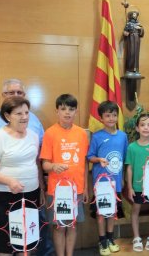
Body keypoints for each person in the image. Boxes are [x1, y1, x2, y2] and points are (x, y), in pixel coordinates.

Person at [0, 78, 53, 255]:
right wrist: (9, 181)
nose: (24, 117)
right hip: (3, 195)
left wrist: (41, 188)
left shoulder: (33, 136)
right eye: (19, 114)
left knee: (27, 240)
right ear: (7, 116)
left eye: (26, 113)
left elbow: (35, 164)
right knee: (5, 242)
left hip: (30, 194)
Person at [40, 94, 89, 256]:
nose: (67, 112)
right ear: (57, 111)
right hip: (57, 190)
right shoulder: (50, 133)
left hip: (77, 189)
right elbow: (44, 164)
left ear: (76, 111)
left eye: (71, 109)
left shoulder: (82, 133)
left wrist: (86, 188)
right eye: (63, 109)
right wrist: (53, 166)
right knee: (59, 226)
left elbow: (85, 162)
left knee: (72, 224)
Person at [87, 101, 128, 256]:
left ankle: (110, 239)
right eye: (108, 115)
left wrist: (123, 179)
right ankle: (102, 240)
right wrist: (99, 160)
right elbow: (89, 157)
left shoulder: (123, 136)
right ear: (101, 118)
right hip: (101, 183)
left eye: (114, 115)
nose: (111, 118)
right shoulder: (97, 136)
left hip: (116, 182)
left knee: (112, 212)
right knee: (101, 213)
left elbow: (124, 159)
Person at [125, 113, 149, 252]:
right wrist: (129, 187)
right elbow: (129, 168)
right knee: (136, 209)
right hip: (137, 186)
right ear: (137, 128)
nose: (146, 128)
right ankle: (136, 237)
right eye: (142, 125)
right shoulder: (132, 147)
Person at [0, 78, 44, 145]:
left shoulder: (33, 118)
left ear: (24, 96)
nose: (16, 96)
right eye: (11, 93)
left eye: (19, 93)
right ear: (4, 95)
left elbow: (42, 144)